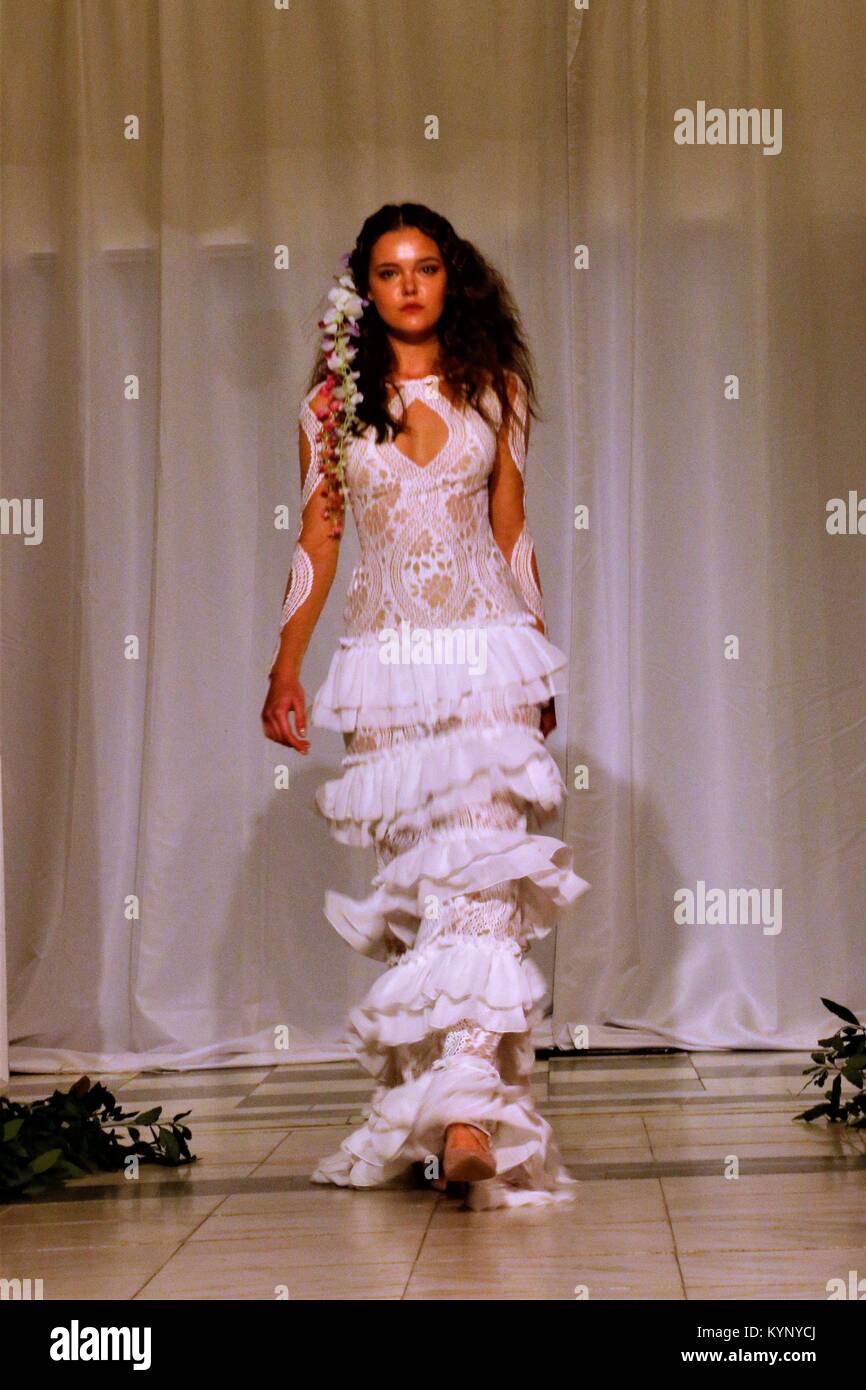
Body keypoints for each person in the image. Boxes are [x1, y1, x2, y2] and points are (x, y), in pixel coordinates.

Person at [261, 202, 590, 1210]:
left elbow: (512, 532)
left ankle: (468, 1119)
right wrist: (286, 666)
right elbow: (316, 541)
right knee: (424, 893)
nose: (410, 284)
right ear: (365, 288)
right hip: (385, 668)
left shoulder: (496, 388)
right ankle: (436, 1110)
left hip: (487, 653)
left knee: (480, 881)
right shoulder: (333, 405)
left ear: (453, 280)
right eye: (390, 270)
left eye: (427, 267)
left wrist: (533, 662)